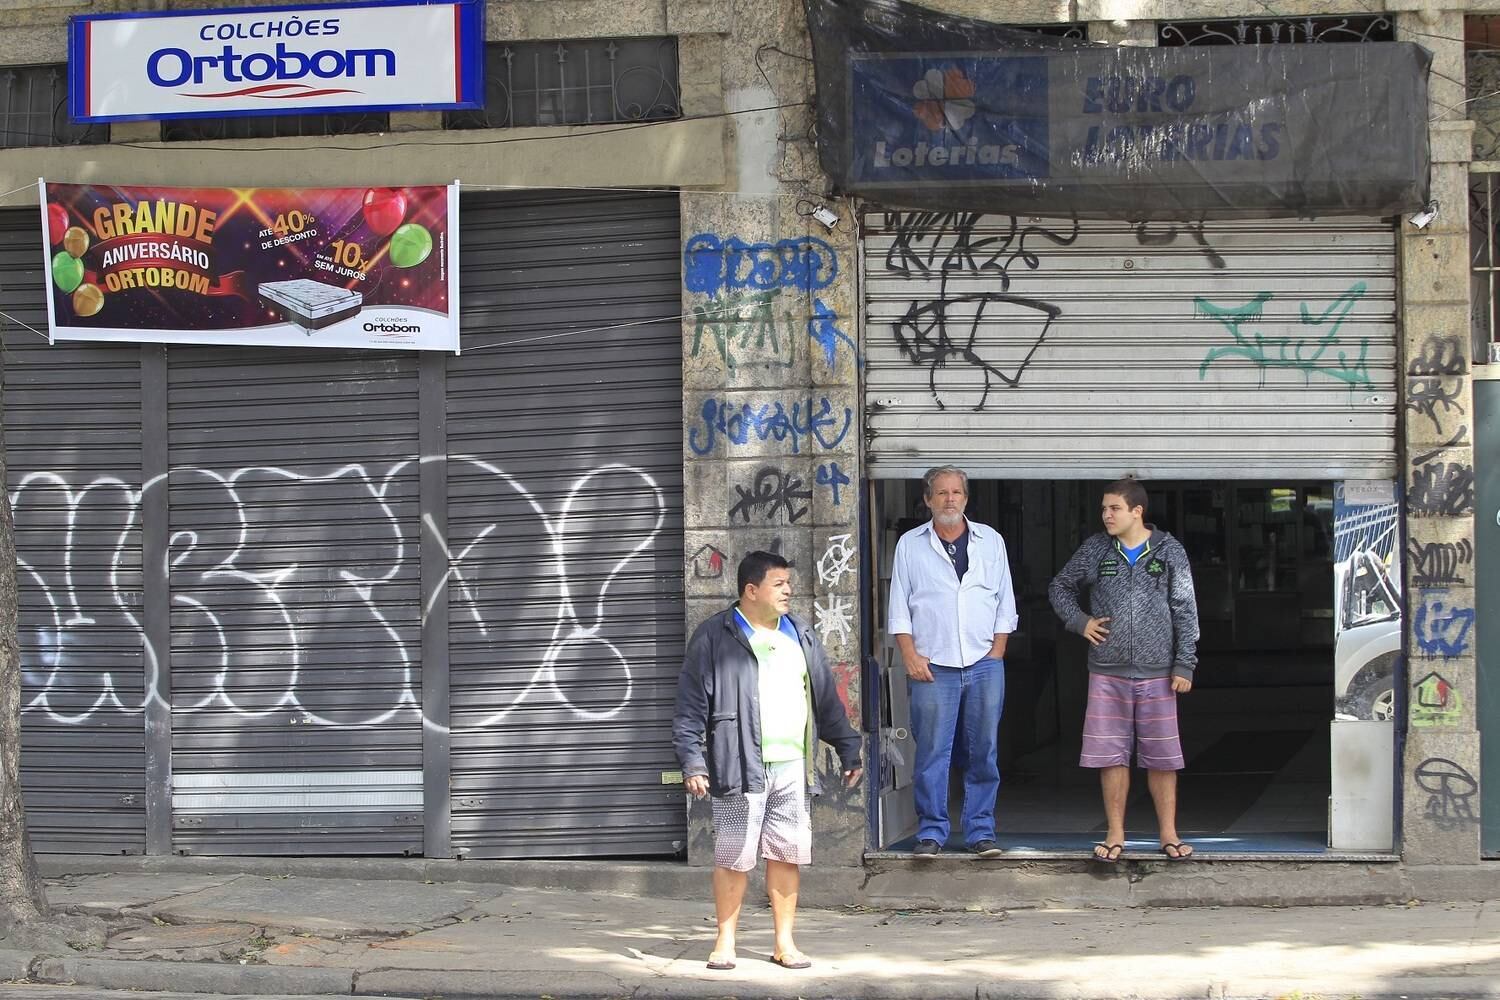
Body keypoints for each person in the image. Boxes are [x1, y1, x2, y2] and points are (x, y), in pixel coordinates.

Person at [672, 550, 862, 971]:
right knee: (733, 854)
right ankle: (725, 942)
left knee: (786, 854)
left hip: (792, 765)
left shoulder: (801, 634)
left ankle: (784, 943)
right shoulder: (715, 636)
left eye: (788, 583)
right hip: (739, 764)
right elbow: (689, 707)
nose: (789, 590)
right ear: (751, 590)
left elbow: (827, 699)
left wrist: (848, 747)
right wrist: (693, 761)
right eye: (779, 584)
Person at [1048, 477, 1201, 863]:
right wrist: (1079, 621)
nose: (1106, 515)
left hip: (1159, 673)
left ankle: (1169, 833)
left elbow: (1185, 608)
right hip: (1106, 671)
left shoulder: (1169, 550)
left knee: (1162, 758)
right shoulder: (1098, 549)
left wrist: (1185, 662)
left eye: (1114, 508)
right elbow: (1060, 586)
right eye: (1103, 508)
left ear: (1137, 511)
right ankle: (1116, 833)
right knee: (1110, 756)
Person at [887, 466, 1017, 859]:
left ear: (966, 498)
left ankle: (980, 831)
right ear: (927, 500)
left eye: (956, 492)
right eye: (940, 493)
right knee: (931, 753)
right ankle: (931, 832)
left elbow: (1005, 601)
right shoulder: (910, 545)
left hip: (983, 661)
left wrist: (997, 651)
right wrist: (908, 654)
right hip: (932, 664)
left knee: (984, 750)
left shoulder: (990, 541)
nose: (949, 500)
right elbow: (899, 606)